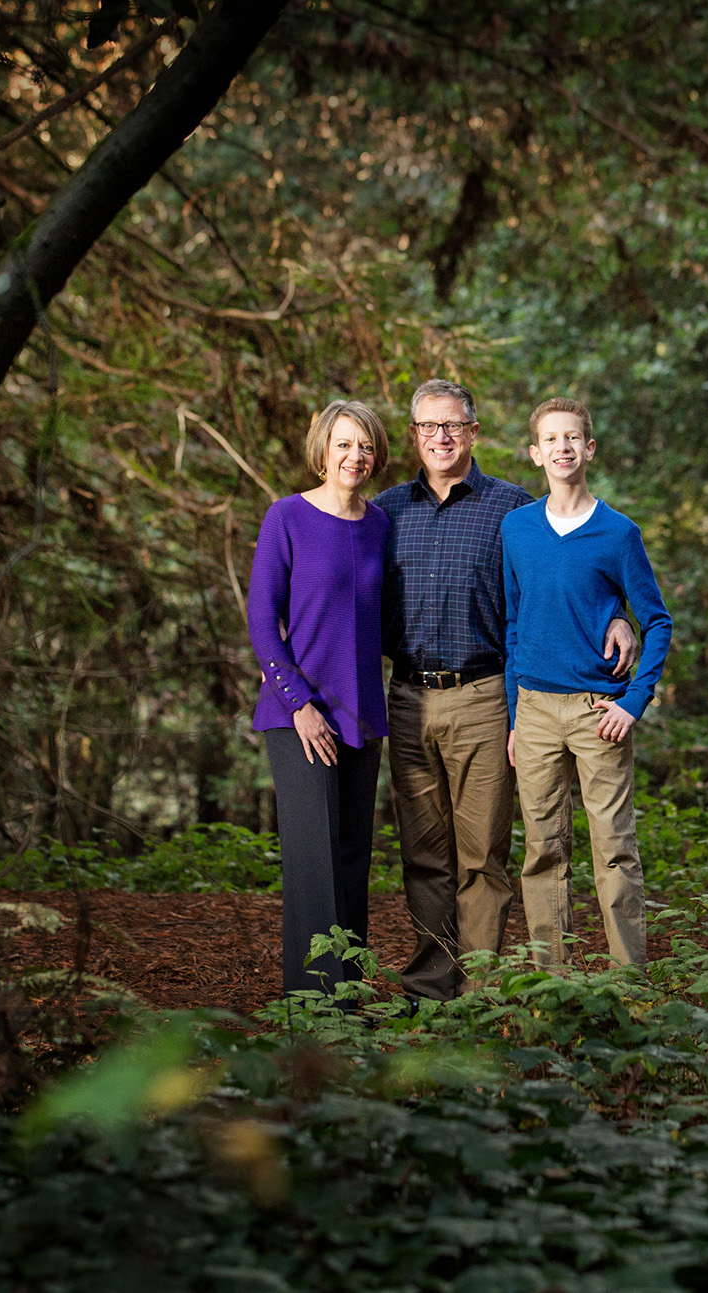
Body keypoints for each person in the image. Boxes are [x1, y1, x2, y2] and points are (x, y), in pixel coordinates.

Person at [378, 379, 636, 1001]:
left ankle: (484, 990)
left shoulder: (511, 508)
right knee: (423, 853)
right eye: (428, 427)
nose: (441, 437)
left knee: (482, 854)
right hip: (408, 697)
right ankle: (432, 986)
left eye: (454, 425)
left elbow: (563, 575)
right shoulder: (386, 511)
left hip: (484, 694)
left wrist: (618, 616)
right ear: (414, 436)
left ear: (473, 432)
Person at [502, 398, 672, 970]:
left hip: (598, 710)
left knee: (614, 851)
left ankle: (632, 982)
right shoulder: (517, 529)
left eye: (572, 438)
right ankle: (554, 983)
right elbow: (512, 624)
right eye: (550, 439)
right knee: (543, 852)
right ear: (535, 453)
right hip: (534, 709)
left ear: (590, 448)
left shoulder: (618, 533)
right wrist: (512, 718)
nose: (562, 448)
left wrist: (634, 701)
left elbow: (658, 620)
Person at [246, 400, 393, 1000]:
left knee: (354, 855)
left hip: (361, 709)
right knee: (314, 860)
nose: (354, 456)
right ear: (323, 450)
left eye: (365, 446)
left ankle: (349, 995)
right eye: (344, 444)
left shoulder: (380, 524)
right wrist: (297, 702)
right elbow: (261, 617)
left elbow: (382, 618)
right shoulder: (287, 517)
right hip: (300, 712)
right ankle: (312, 1001)